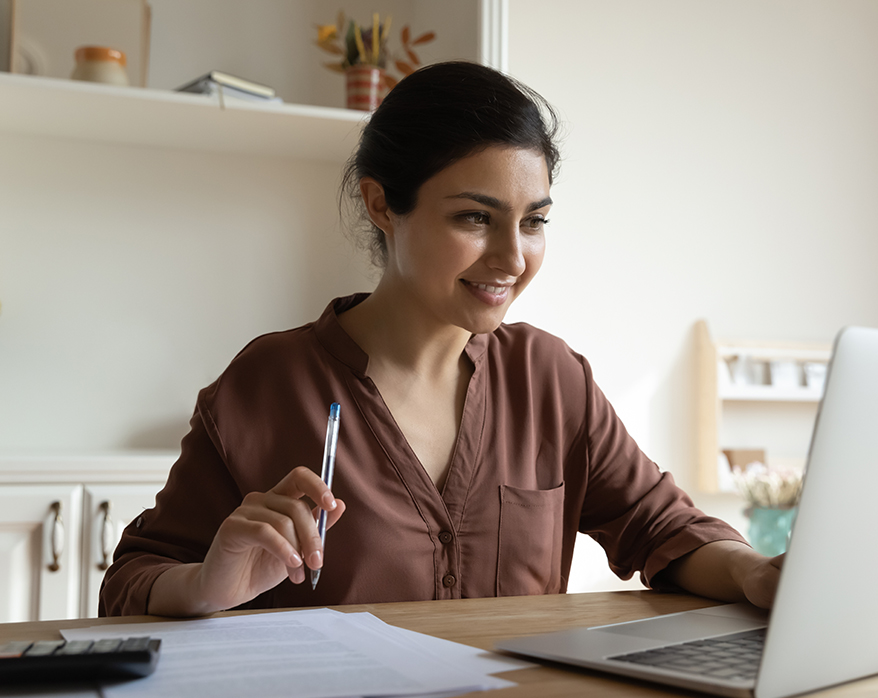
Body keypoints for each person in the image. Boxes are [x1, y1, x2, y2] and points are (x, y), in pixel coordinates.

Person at [100, 61, 781, 618]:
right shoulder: (268, 383)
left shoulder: (551, 378)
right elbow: (131, 581)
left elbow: (664, 529)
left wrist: (756, 574)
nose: (512, 258)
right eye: (475, 218)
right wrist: (205, 585)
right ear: (381, 205)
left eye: (534, 222)